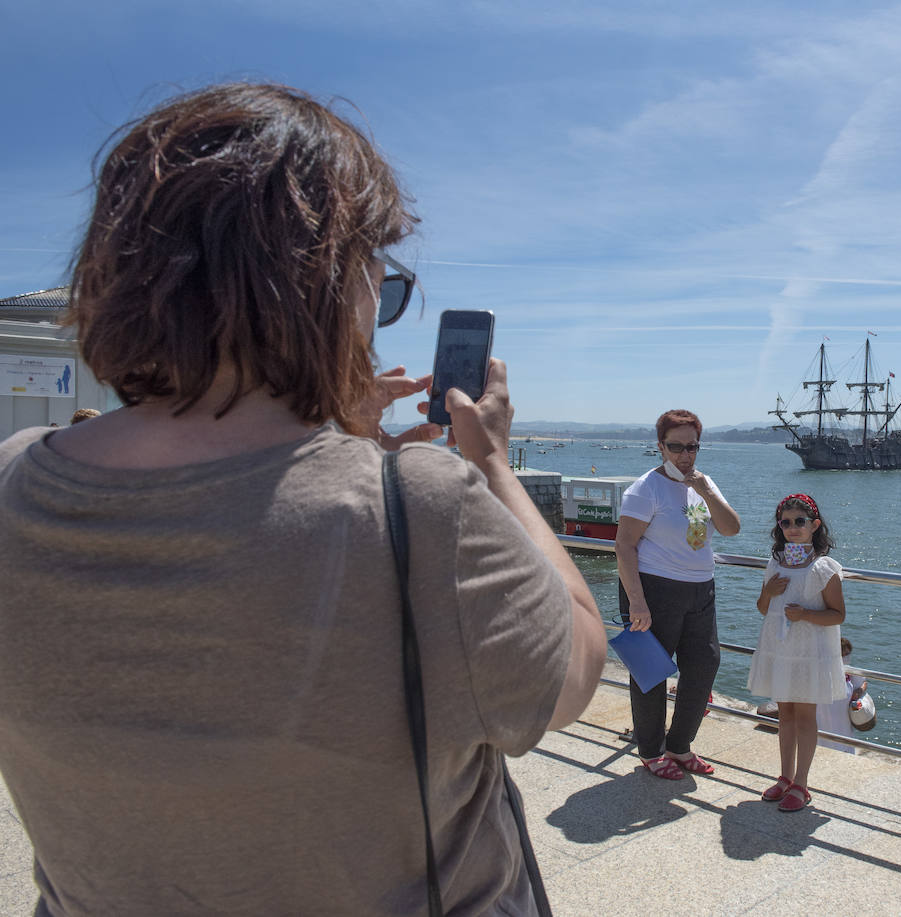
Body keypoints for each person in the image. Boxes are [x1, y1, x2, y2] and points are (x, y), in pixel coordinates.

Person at [0, 82, 606, 916]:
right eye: (375, 280)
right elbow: (574, 668)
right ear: (328, 283)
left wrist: (343, 440)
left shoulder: (14, 479)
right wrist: (492, 462)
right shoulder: (423, 508)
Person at [616, 409, 740, 779]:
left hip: (701, 588)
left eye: (692, 447)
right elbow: (624, 547)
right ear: (660, 447)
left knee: (704, 665)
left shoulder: (704, 483)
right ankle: (652, 752)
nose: (685, 455)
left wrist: (704, 490)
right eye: (676, 447)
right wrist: (637, 601)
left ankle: (680, 745)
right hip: (654, 588)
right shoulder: (646, 488)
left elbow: (731, 528)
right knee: (651, 672)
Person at [747, 494, 848, 810]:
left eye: (799, 522)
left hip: (809, 653)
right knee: (785, 714)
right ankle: (784, 777)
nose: (792, 528)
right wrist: (769, 591)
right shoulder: (776, 561)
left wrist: (804, 614)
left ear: (814, 526)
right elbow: (764, 608)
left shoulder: (823, 567)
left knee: (805, 716)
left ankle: (801, 783)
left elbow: (837, 614)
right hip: (780, 650)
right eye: (786, 522)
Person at [816, 637, 868, 754]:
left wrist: (859, 691)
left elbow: (864, 683)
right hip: (822, 728)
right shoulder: (820, 673)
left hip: (844, 730)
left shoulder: (849, 673)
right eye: (843, 654)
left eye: (848, 654)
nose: (846, 657)